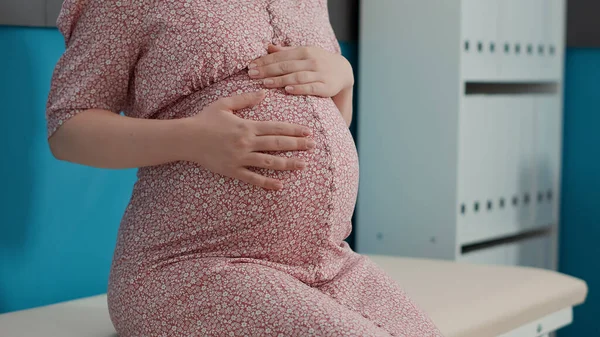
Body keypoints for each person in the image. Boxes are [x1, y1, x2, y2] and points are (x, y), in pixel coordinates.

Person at [46, 0, 442, 336]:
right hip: (191, 267)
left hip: (328, 263)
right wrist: (191, 137)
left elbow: (326, 123)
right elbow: (67, 128)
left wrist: (345, 79)